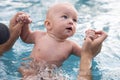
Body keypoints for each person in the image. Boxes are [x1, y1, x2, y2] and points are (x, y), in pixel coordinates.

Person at [17, 3, 107, 79]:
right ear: (48, 24)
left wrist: (94, 42)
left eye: (74, 20)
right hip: (32, 70)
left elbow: (87, 54)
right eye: (65, 17)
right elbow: (25, 37)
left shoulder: (71, 46)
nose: (71, 22)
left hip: (53, 75)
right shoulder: (39, 35)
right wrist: (24, 24)